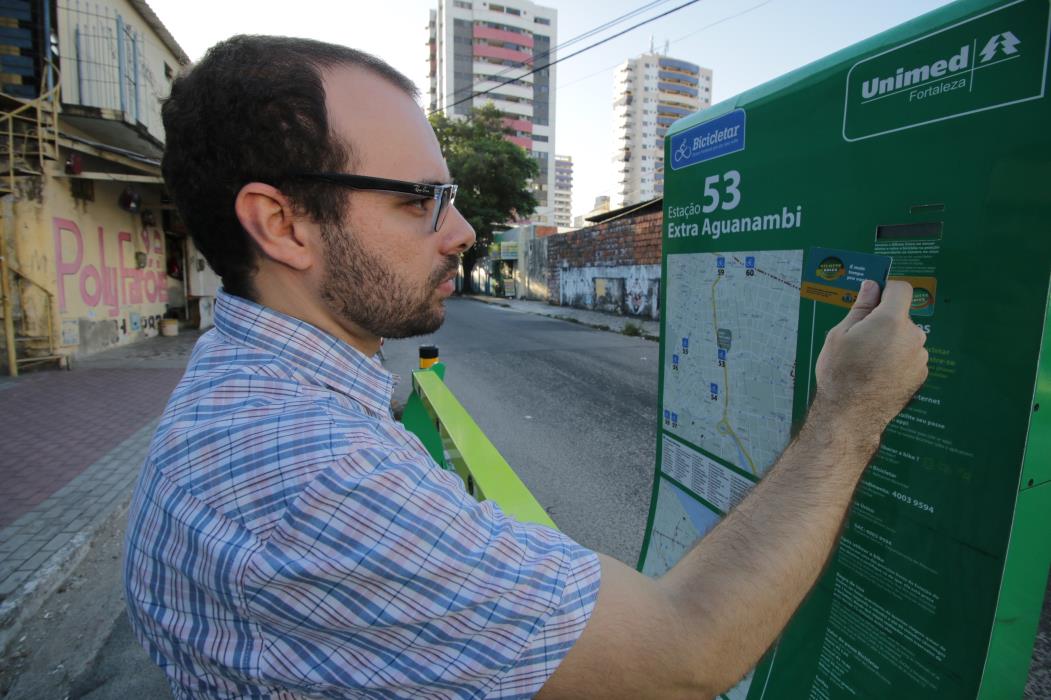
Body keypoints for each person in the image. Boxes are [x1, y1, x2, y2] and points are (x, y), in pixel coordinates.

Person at [123, 35, 928, 699]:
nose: (463, 230)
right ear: (281, 224)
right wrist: (850, 409)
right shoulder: (314, 478)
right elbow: (687, 650)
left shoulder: (241, 383)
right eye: (417, 199)